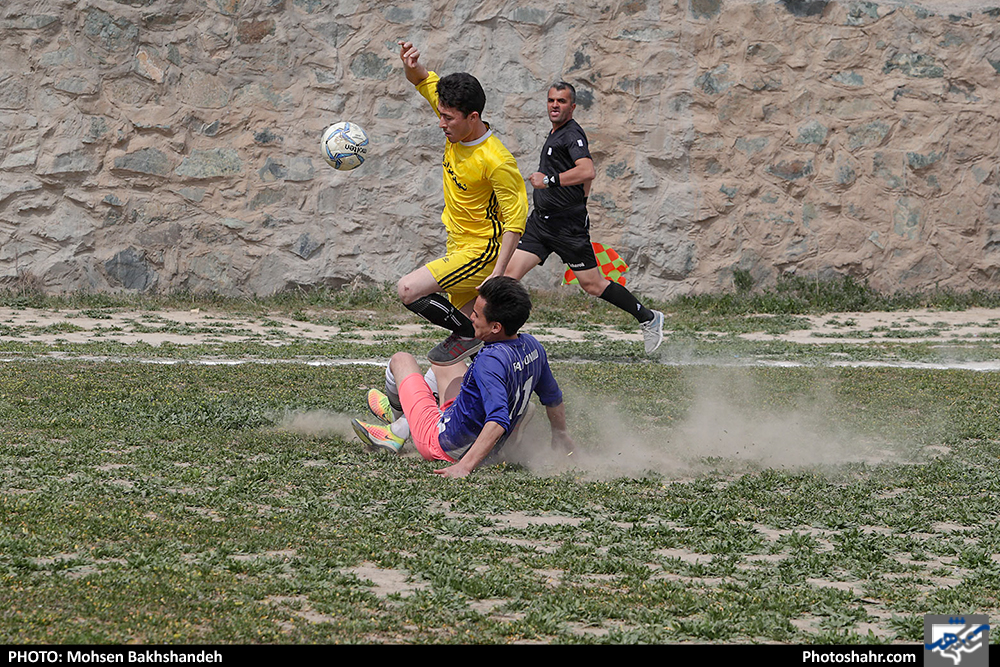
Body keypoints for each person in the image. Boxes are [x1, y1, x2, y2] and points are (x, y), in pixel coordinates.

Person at [352, 277, 574, 478]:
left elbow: (498, 419)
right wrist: (560, 433)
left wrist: (464, 466)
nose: (471, 318)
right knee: (446, 364)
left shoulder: (490, 360)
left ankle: (398, 428)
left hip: (443, 444)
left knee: (401, 360)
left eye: (476, 315)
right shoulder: (533, 346)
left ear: (496, 327)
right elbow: (552, 397)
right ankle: (406, 418)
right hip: (474, 433)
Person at [504, 82, 665, 354]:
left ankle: (648, 318)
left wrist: (549, 181)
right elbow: (582, 181)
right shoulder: (555, 133)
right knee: (508, 277)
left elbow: (587, 171)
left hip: (567, 229)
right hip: (540, 224)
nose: (555, 105)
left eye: (561, 101)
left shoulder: (572, 134)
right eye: (551, 100)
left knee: (593, 285)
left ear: (573, 106)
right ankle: (503, 341)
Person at [396, 41, 529, 366]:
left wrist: (498, 274)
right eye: (440, 114)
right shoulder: (454, 124)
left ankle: (467, 334)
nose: (441, 123)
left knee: (409, 290)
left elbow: (516, 221)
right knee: (481, 347)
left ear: (473, 117)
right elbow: (420, 79)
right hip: (457, 244)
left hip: (481, 251)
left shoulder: (496, 160)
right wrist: (411, 65)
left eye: (448, 118)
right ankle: (517, 382)